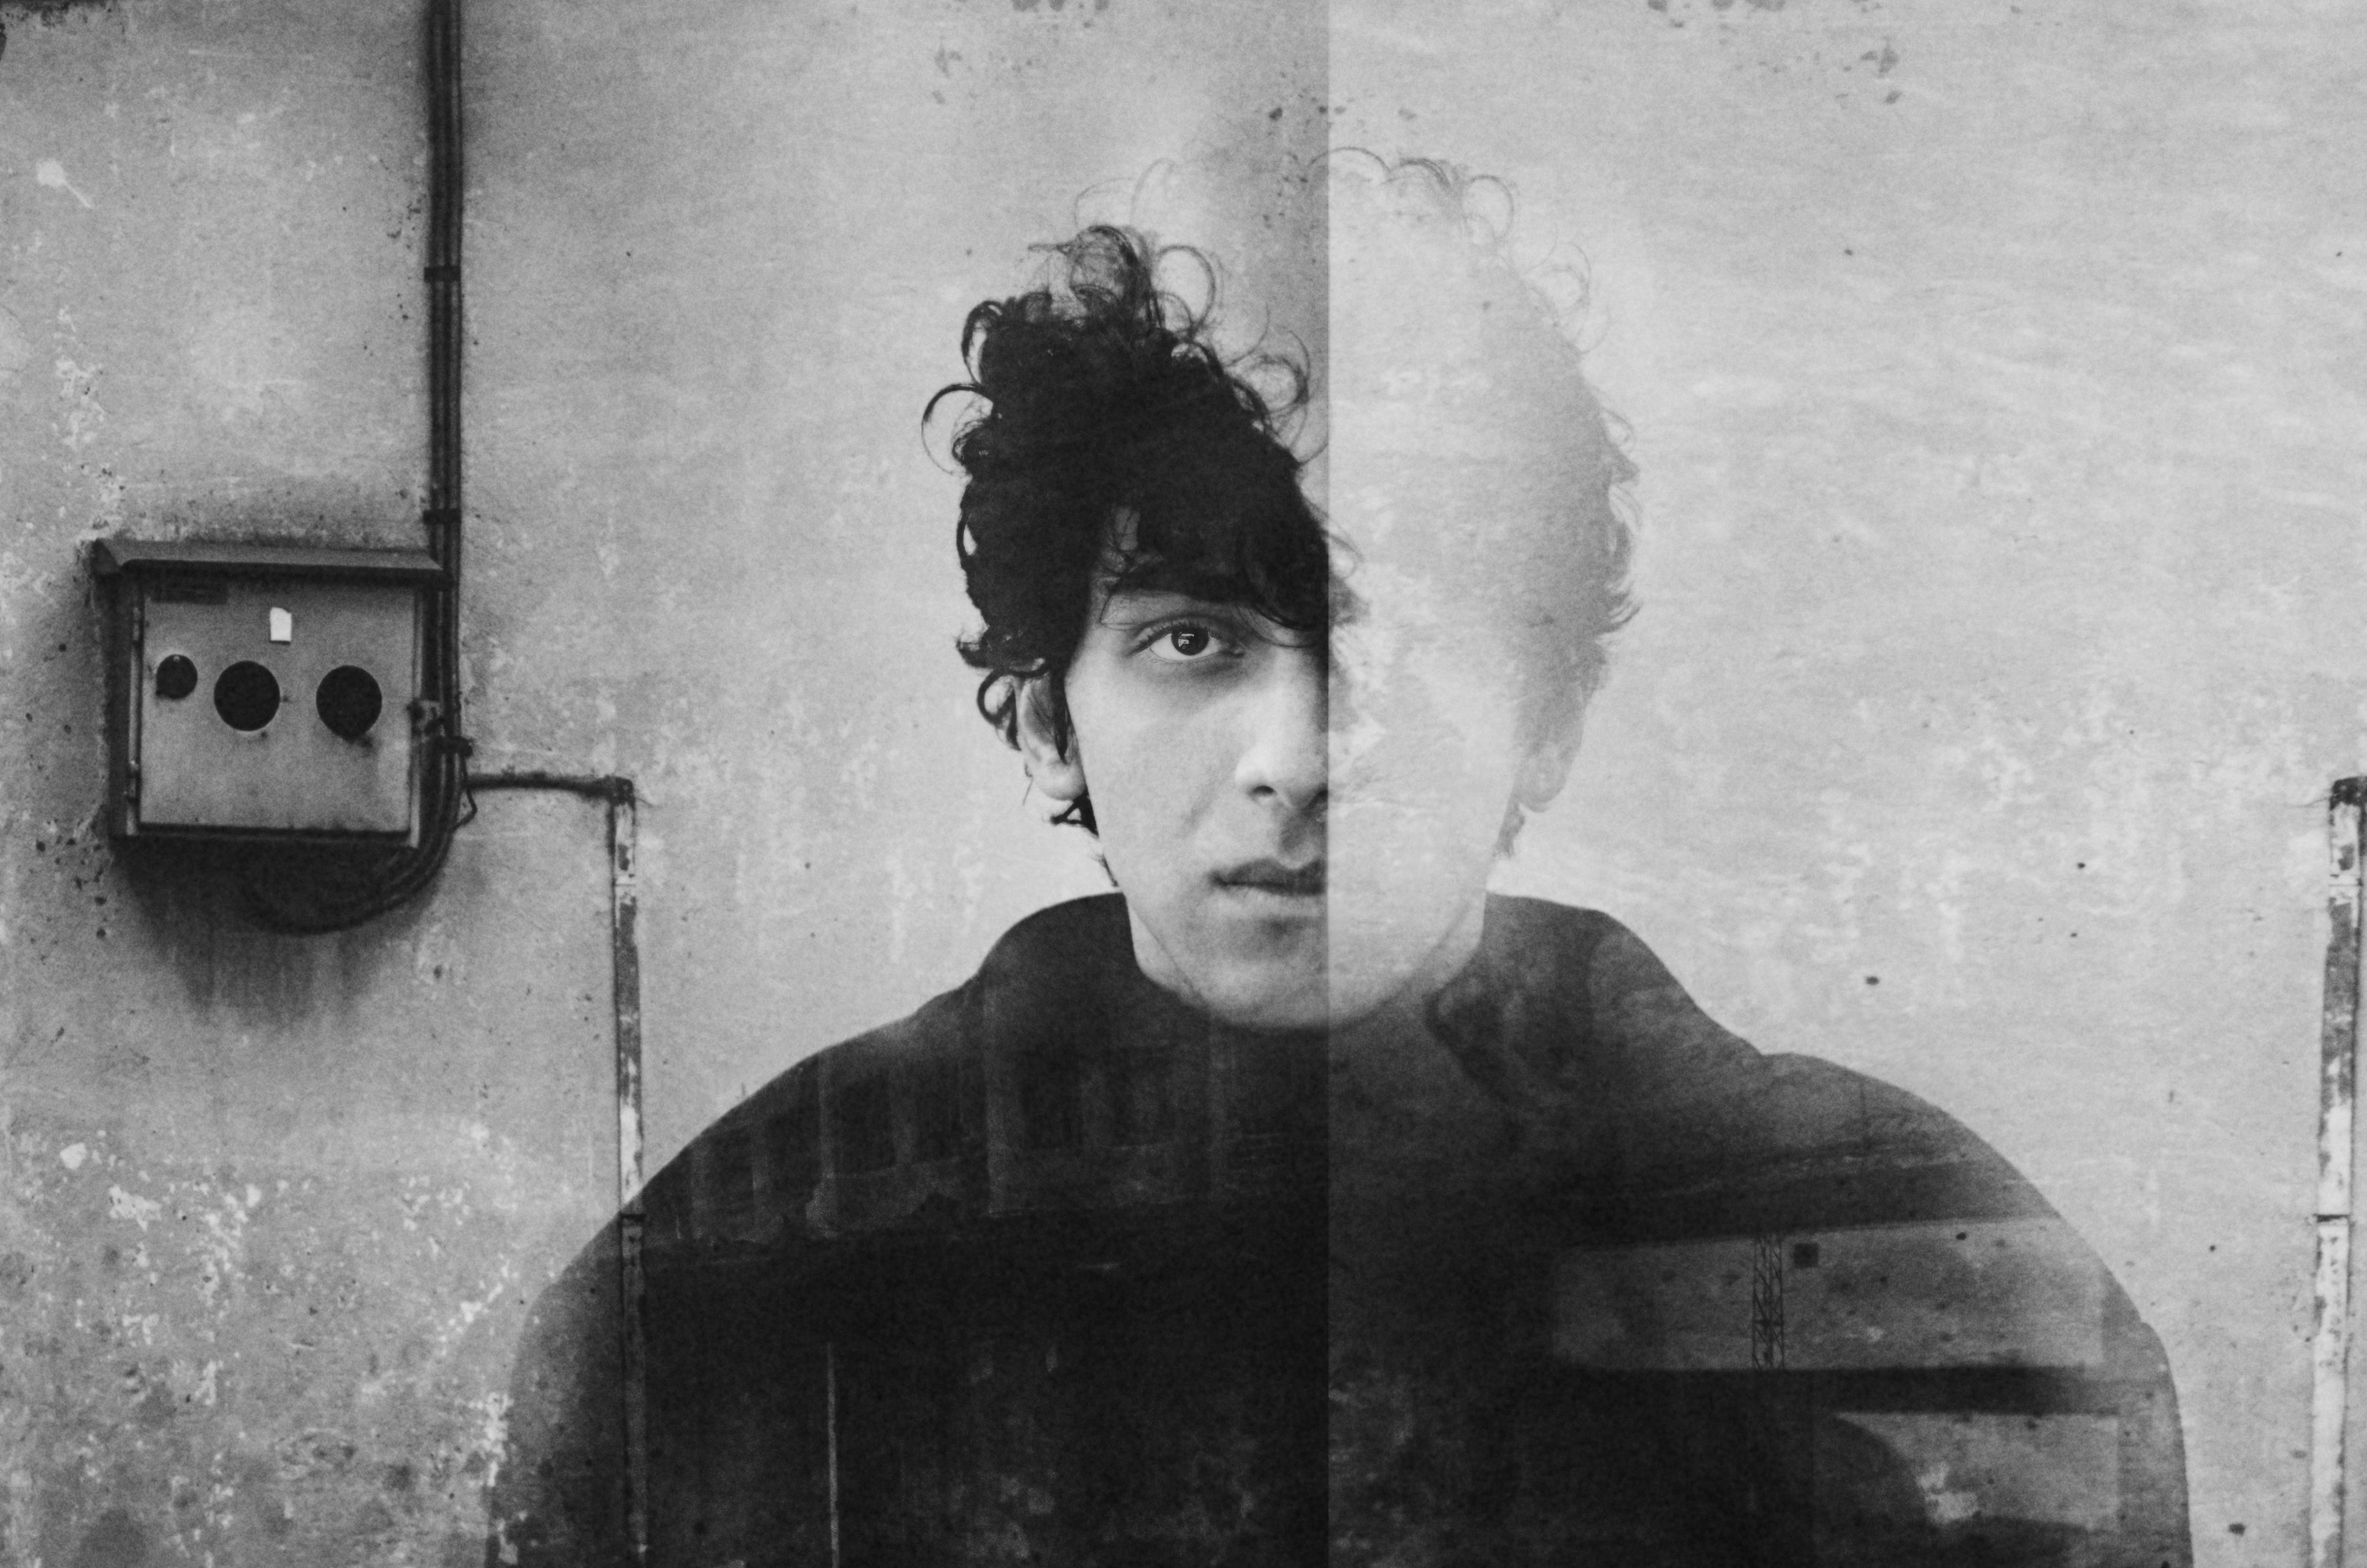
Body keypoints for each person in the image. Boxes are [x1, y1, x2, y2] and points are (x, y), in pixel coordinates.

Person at [486, 162, 2190, 1567]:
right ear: (1045, 717)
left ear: (1549, 724)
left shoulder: (1903, 1247)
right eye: (1194, 640)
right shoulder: (734, 1267)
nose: (1301, 758)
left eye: (1398, 650)